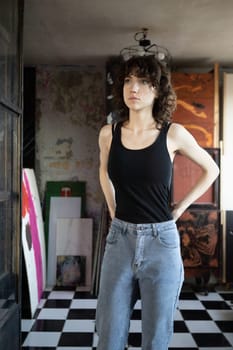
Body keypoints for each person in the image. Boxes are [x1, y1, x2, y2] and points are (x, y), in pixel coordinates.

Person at [96, 55, 219, 350]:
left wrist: (179, 208)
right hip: (120, 241)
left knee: (155, 338)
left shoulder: (172, 133)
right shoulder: (108, 134)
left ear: (158, 90)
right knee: (109, 337)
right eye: (127, 80)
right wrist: (113, 208)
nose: (132, 87)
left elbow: (212, 169)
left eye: (143, 81)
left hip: (160, 243)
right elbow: (103, 171)